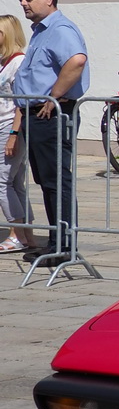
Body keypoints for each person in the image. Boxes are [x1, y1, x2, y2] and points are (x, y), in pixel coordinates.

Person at [14, 0, 88, 261]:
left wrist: (53, 96)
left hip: (52, 115)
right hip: (36, 115)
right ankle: (57, 242)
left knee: (56, 181)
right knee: (48, 181)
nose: (24, 3)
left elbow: (77, 61)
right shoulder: (41, 31)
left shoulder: (59, 29)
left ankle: (64, 246)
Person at [0, 15, 37, 255]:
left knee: (2, 181)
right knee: (14, 182)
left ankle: (16, 234)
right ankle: (27, 234)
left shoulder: (19, 62)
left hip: (10, 127)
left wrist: (14, 133)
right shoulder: (3, 62)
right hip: (3, 126)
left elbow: (21, 103)